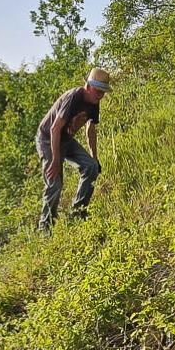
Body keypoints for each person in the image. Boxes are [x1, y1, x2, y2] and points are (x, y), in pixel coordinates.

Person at [36, 67, 112, 233]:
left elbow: (90, 130)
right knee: (55, 182)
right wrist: (56, 161)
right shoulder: (74, 97)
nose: (100, 95)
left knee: (91, 167)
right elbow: (55, 129)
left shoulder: (94, 102)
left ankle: (77, 214)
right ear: (88, 86)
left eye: (103, 92)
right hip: (49, 140)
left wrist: (94, 157)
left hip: (66, 140)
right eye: (98, 91)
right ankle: (45, 229)